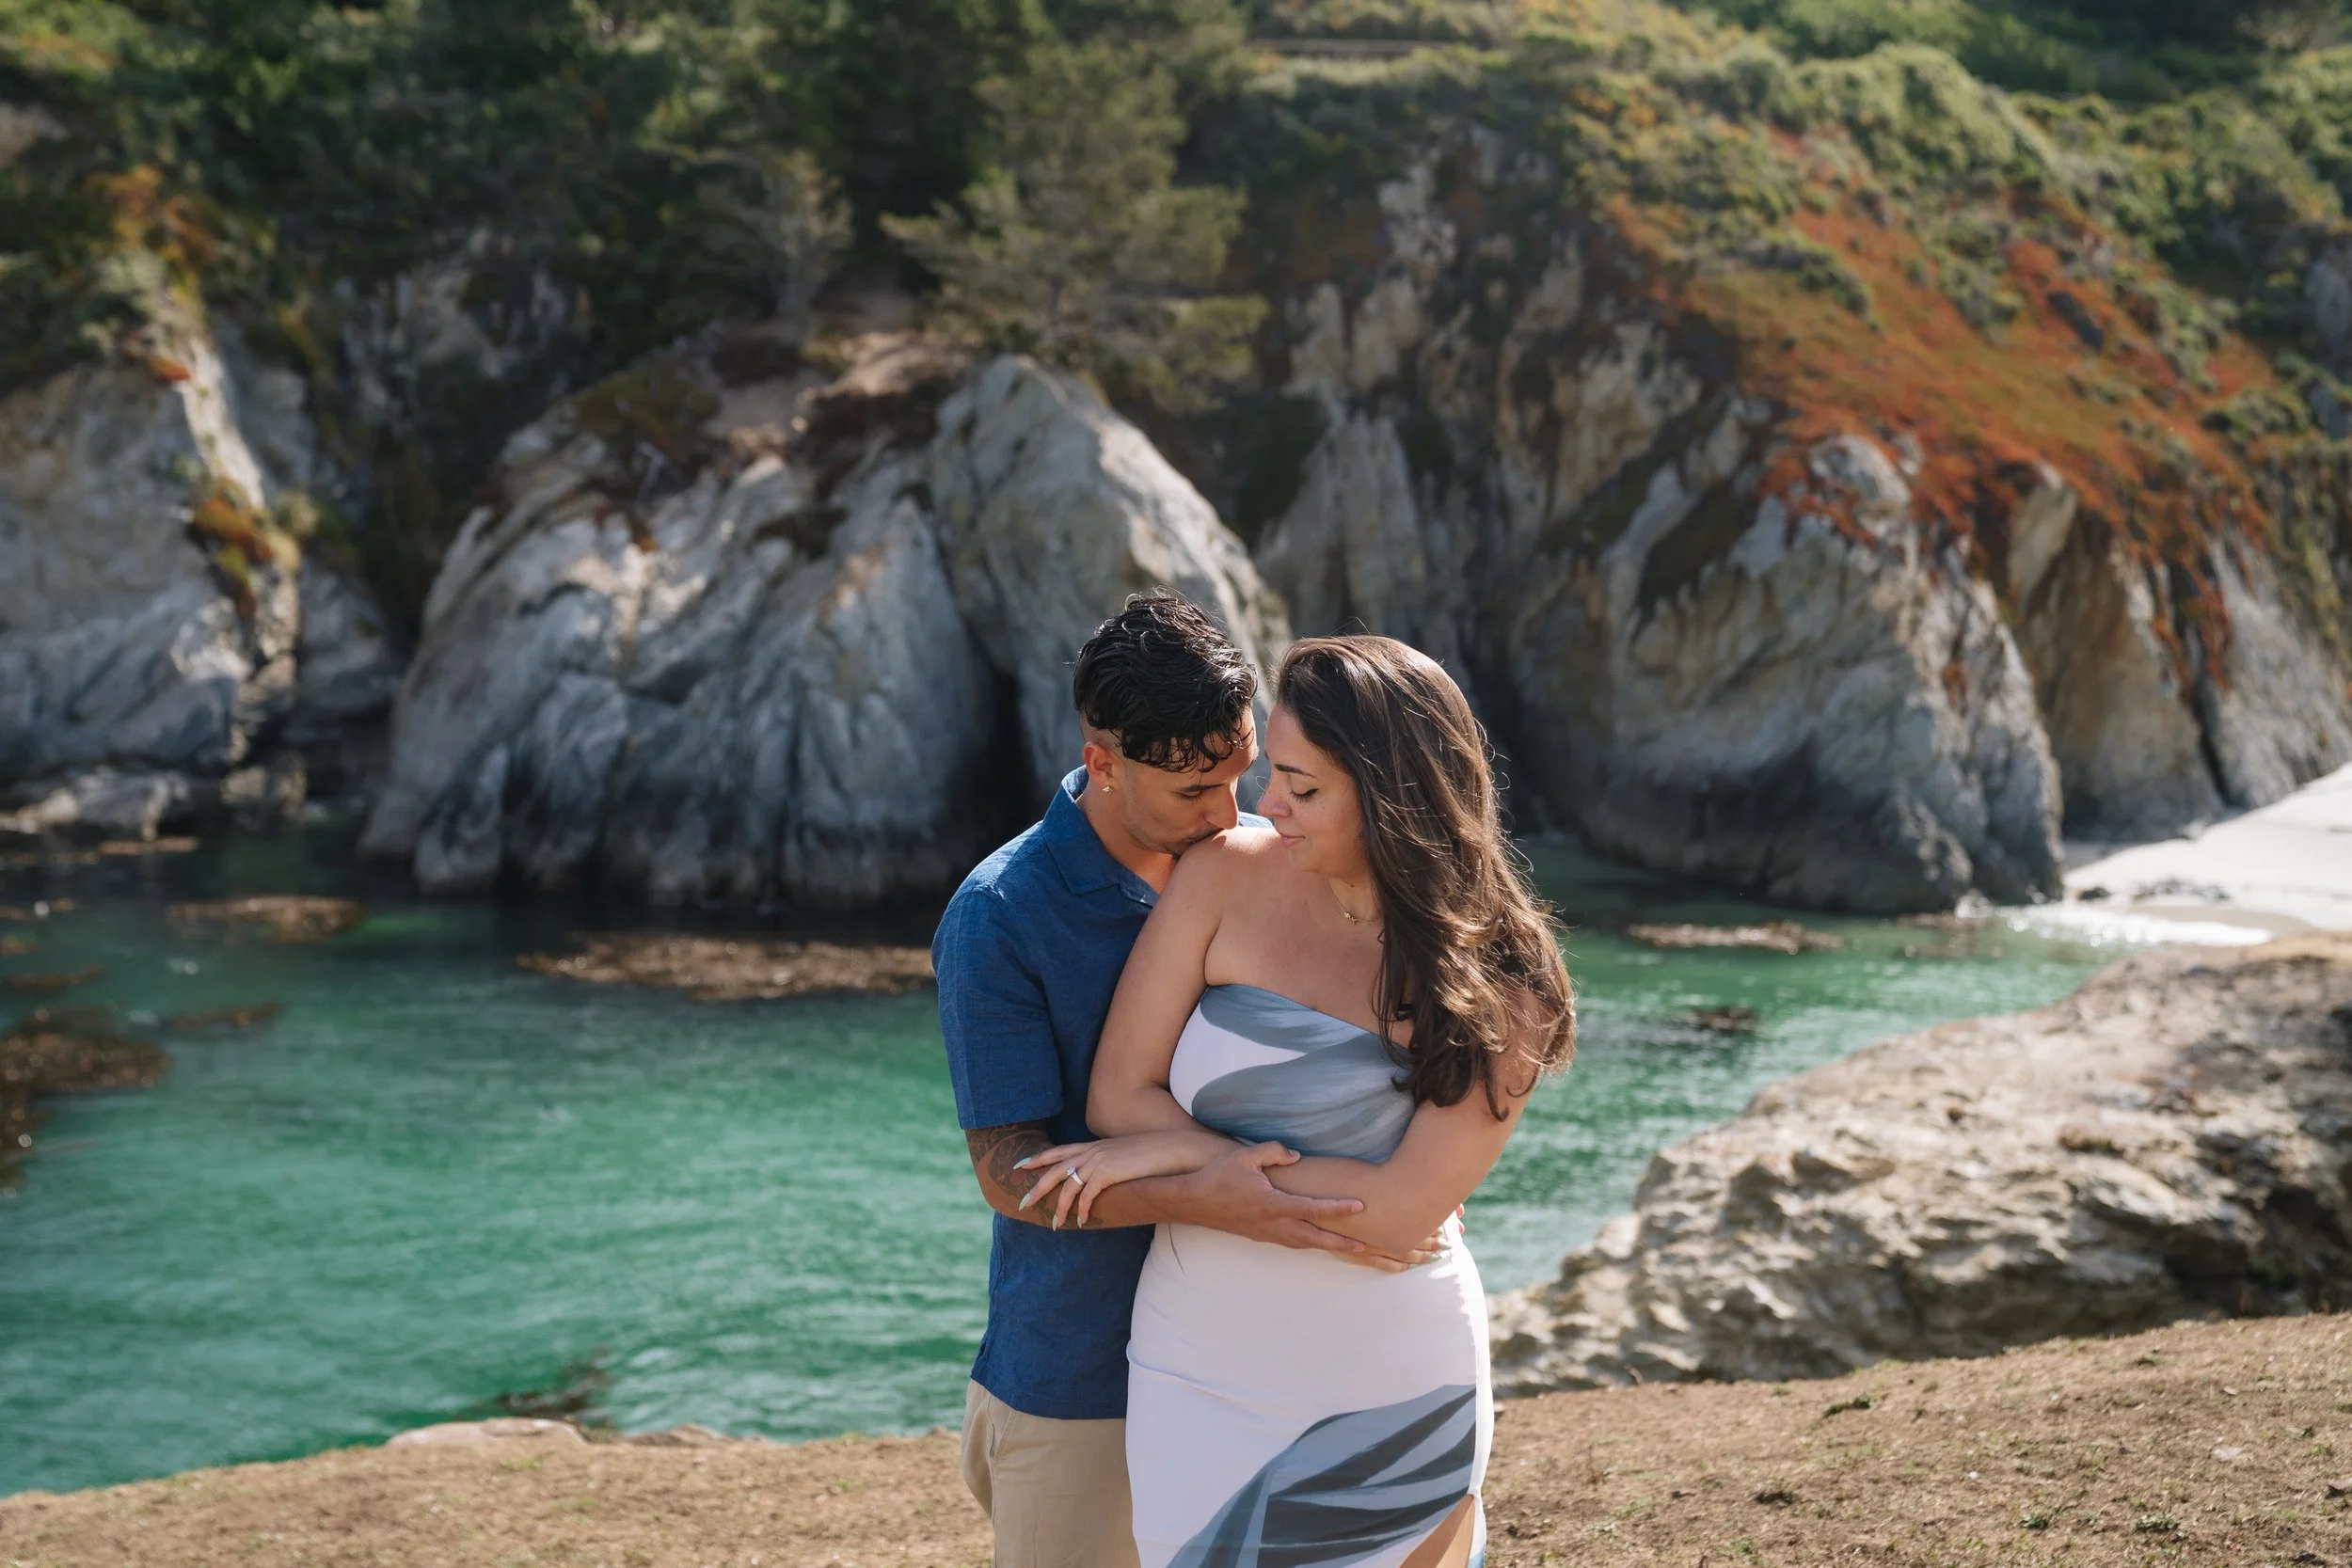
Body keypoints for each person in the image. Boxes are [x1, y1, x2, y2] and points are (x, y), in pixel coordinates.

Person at [1018, 634, 1577, 1568]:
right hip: (1197, 1365)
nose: (1264, 805)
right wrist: (1207, 1160)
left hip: (1393, 1384)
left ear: (1394, 794)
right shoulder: (1223, 874)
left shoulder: (1504, 977)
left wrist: (1179, 1155)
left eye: (1302, 786)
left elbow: (1403, 1211)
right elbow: (1119, 1094)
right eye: (1274, 775)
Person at [934, 595, 1441, 1568]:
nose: (1228, 813)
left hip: (1265, 1357)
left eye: (1241, 774)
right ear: (1103, 759)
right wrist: (1211, 1194)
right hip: (1081, 1378)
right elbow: (1009, 1169)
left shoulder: (1266, 863)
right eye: (1193, 790)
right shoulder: (996, 916)